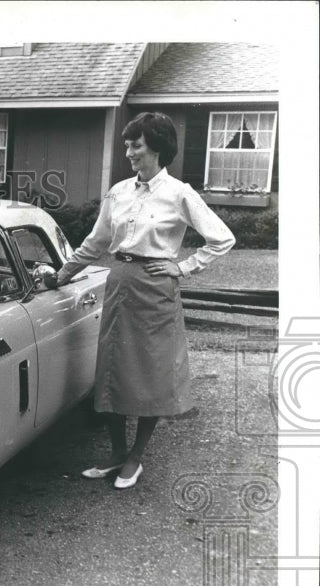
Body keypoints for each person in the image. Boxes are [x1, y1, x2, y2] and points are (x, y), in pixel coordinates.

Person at [55, 112, 235, 489]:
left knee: (150, 373)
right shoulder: (118, 192)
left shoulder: (179, 193)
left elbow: (222, 239)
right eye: (127, 144)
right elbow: (96, 242)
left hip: (156, 289)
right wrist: (62, 274)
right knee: (113, 370)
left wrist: (183, 268)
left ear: (157, 147)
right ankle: (117, 453)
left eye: (136, 145)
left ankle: (136, 457)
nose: (129, 152)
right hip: (119, 283)